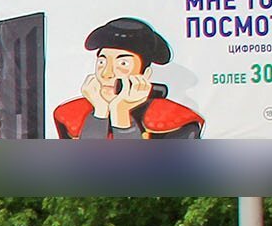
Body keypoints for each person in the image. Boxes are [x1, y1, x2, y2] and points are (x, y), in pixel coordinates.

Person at [52, 17, 203, 139]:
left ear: (145, 75)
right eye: (102, 62)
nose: (106, 73)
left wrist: (121, 114)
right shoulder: (71, 116)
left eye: (122, 63)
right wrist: (100, 113)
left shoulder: (175, 121)